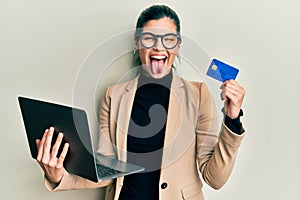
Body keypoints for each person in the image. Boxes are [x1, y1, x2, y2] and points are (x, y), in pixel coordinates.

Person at [36, 5, 246, 200]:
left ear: (178, 46)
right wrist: (60, 177)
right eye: (149, 39)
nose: (158, 47)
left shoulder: (198, 95)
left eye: (169, 39)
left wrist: (232, 120)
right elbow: (107, 171)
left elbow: (214, 178)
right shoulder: (113, 96)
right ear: (137, 43)